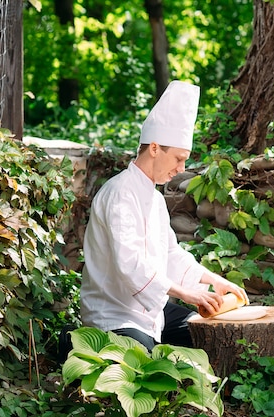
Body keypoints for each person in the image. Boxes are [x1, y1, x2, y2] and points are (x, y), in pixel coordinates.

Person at [80, 80, 248, 351]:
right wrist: (187, 294)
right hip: (113, 316)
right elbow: (130, 264)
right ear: (155, 148)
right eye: (178, 159)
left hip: (151, 312)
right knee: (143, 359)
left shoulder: (155, 199)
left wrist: (213, 280)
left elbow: (170, 254)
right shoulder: (120, 193)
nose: (181, 168)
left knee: (208, 333)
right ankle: (70, 343)